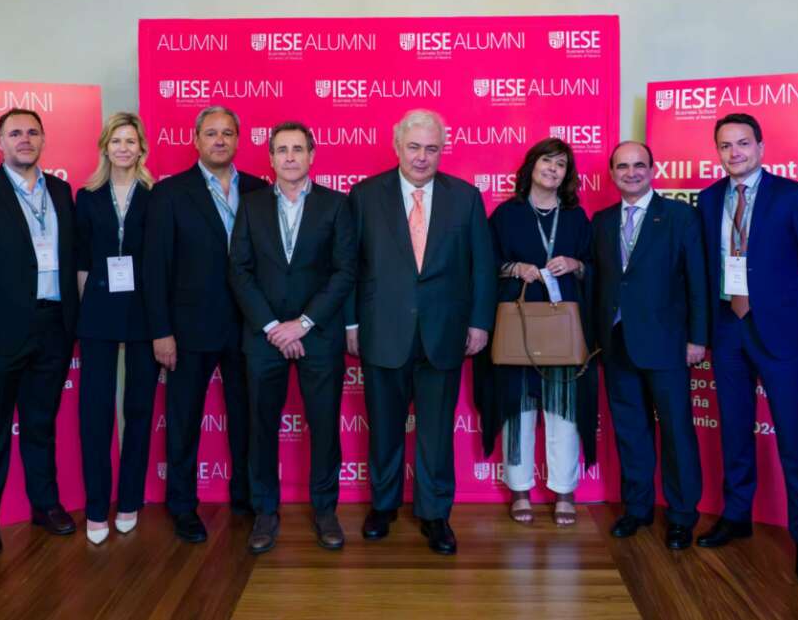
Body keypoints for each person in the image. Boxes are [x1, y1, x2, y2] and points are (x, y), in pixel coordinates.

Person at [346, 109, 495, 555]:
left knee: (435, 431)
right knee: (385, 428)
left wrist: (480, 322)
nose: (422, 157)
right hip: (381, 330)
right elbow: (350, 267)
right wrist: (351, 323)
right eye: (414, 147)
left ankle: (435, 514)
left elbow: (482, 268)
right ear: (397, 147)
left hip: (444, 332)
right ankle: (384, 505)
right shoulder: (365, 195)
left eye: (432, 148)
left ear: (442, 150)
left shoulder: (465, 198)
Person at [696, 113, 798, 583]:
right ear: (717, 151)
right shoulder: (709, 199)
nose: (734, 153)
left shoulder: (793, 196)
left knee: (794, 439)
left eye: (742, 144)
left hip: (780, 332)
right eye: (725, 146)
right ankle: (737, 516)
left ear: (759, 146)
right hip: (727, 329)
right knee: (734, 430)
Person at [0, 107, 79, 555]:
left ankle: (45, 504)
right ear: (0, 142)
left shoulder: (61, 192)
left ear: (43, 140)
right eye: (15, 133)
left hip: (54, 326)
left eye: (32, 132)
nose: (25, 139)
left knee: (41, 423)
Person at [229, 122, 356, 554]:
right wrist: (272, 327)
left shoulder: (337, 206)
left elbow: (344, 273)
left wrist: (302, 324)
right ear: (270, 157)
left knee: (324, 426)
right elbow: (239, 271)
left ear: (312, 155)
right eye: (281, 149)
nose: (289, 157)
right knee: (260, 426)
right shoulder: (249, 206)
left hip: (317, 335)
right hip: (263, 335)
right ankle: (265, 511)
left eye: (297, 149)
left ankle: (325, 510)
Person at [144, 105, 268, 542]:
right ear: (195, 140)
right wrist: (161, 330)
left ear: (239, 140)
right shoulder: (170, 193)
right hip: (188, 330)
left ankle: (246, 497)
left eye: (228, 133)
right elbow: (155, 268)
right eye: (211, 133)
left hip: (248, 328)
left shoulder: (258, 190)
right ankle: (182, 506)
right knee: (182, 423)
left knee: (247, 420)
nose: (220, 140)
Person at [593, 141, 707, 549]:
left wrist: (698, 338)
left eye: (639, 165)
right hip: (617, 343)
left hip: (668, 344)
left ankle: (681, 515)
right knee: (630, 430)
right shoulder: (602, 220)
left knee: (677, 430)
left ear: (653, 169)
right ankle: (637, 508)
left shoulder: (680, 217)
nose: (631, 172)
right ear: (612, 174)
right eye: (622, 166)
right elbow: (601, 282)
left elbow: (697, 281)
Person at [480, 137, 597, 527]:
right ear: (531, 166)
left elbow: (600, 269)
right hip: (518, 331)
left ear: (567, 174)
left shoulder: (578, 218)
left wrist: (577, 264)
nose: (552, 169)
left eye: (561, 165)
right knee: (518, 411)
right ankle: (520, 489)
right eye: (546, 161)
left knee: (563, 411)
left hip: (564, 331)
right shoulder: (506, 215)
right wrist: (514, 269)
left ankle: (564, 491)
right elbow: (484, 264)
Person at [75, 113, 159, 545]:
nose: (124, 148)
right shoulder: (86, 197)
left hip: (145, 313)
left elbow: (162, 262)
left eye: (131, 140)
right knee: (95, 412)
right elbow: (83, 263)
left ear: (142, 147)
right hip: (99, 313)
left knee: (139, 410)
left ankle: (128, 500)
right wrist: (87, 310)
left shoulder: (156, 195)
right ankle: (95, 506)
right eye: (116, 140)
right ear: (105, 147)